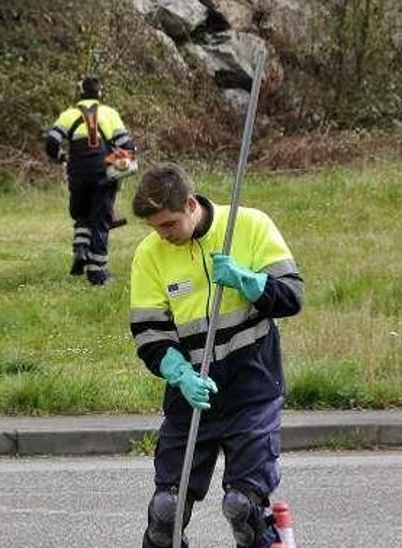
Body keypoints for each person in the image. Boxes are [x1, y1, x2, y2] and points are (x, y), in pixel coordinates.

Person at [129, 164, 303, 548]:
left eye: (169, 225)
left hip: (252, 388)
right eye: (155, 228)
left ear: (191, 204)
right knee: (165, 512)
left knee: (243, 506)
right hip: (191, 396)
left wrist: (251, 282)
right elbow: (148, 332)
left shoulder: (250, 225)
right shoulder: (150, 254)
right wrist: (179, 372)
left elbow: (292, 297)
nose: (163, 235)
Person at [44, 77, 136, 285]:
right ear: (100, 94)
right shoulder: (110, 114)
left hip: (77, 173)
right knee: (101, 221)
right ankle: (98, 273)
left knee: (81, 214)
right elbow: (126, 143)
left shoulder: (68, 115)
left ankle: (80, 250)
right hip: (104, 173)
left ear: (79, 94)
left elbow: (51, 143)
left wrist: (61, 157)